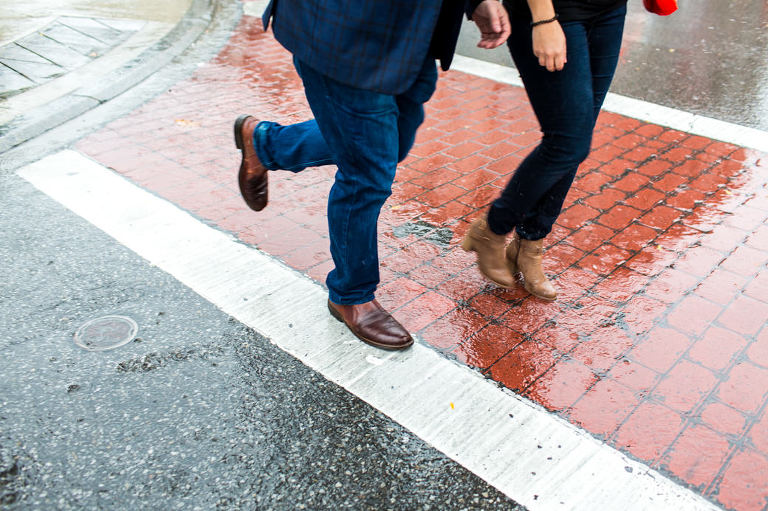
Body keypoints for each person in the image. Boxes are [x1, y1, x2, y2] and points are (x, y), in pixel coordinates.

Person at [235, 0, 511, 350]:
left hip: (414, 37)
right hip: (345, 32)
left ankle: (267, 145)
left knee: (389, 147)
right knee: (367, 176)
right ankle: (351, 294)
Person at [462, 0, 628, 301]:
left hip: (610, 9)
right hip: (553, 13)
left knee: (576, 136)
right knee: (568, 142)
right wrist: (543, 19)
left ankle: (529, 246)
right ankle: (492, 229)